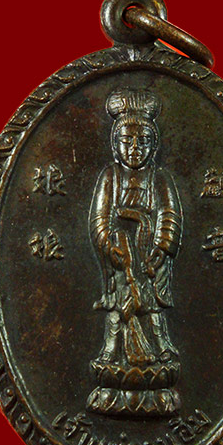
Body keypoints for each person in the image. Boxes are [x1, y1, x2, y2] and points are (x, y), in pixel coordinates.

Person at [89, 89, 182, 370]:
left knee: (151, 303)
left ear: (153, 145)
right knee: (119, 302)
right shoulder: (111, 176)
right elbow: (99, 218)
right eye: (126, 141)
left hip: (149, 251)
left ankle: (161, 343)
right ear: (115, 144)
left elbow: (169, 214)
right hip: (121, 252)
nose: (134, 149)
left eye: (142, 142)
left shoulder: (159, 177)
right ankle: (111, 347)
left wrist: (161, 248)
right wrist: (109, 245)